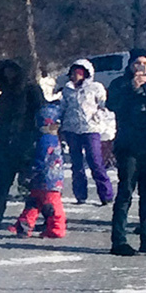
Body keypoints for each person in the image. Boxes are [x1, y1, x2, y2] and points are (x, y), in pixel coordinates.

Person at [105, 50, 146, 256]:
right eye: (137, 63)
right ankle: (119, 240)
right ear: (130, 65)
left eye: (144, 63)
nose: (140, 67)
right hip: (128, 145)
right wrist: (133, 88)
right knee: (125, 192)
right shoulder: (120, 84)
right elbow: (112, 105)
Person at [0, 58, 46, 230]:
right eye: (5, 73)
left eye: (12, 72)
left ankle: (46, 218)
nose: (9, 76)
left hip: (26, 146)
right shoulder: (4, 96)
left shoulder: (31, 91)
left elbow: (42, 115)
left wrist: (38, 142)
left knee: (32, 186)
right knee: (0, 186)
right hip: (4, 148)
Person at [59, 59, 114, 206]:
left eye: (78, 73)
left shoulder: (96, 87)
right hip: (72, 129)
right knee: (76, 164)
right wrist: (60, 124)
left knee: (95, 161)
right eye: (73, 73)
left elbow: (105, 106)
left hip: (90, 129)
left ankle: (106, 195)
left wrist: (97, 118)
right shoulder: (67, 90)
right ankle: (80, 195)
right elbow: (63, 107)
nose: (75, 76)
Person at [14, 103, 66, 238]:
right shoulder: (52, 137)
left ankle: (56, 228)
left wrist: (32, 171)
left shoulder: (45, 139)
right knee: (34, 201)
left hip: (48, 179)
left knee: (51, 205)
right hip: (47, 179)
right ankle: (24, 225)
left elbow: (42, 158)